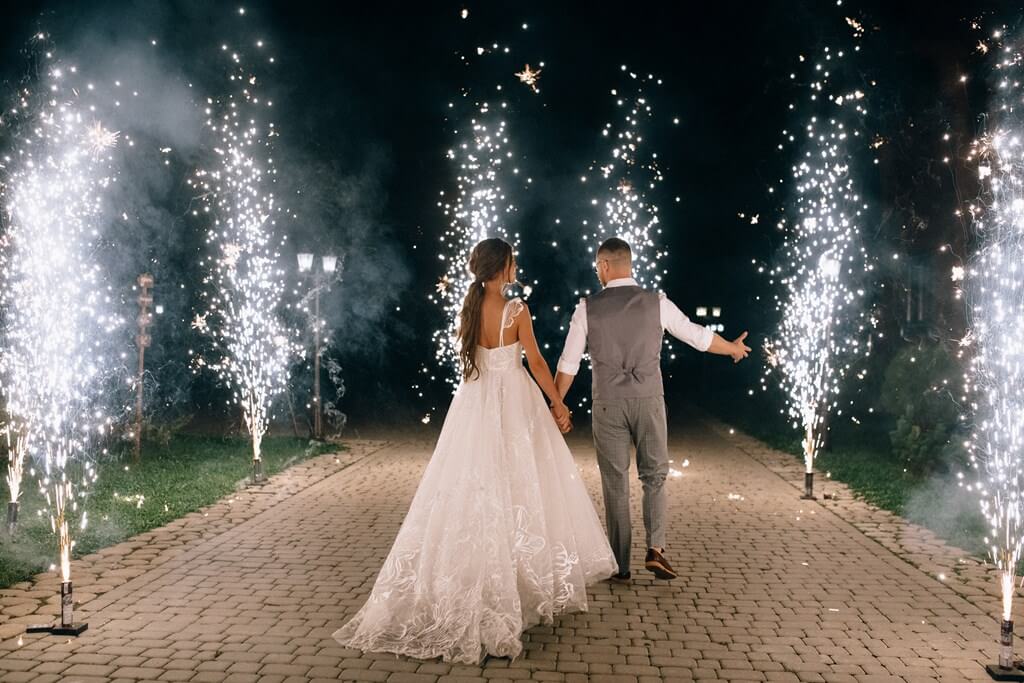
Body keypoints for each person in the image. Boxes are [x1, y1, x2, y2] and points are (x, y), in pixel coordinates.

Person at [334, 237, 617, 664]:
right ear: (502, 266)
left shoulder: (468, 309)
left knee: (475, 487)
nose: (516, 265)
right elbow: (537, 362)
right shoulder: (516, 309)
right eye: (513, 260)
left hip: (475, 401)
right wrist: (558, 404)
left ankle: (486, 580)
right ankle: (515, 584)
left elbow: (476, 360)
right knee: (522, 486)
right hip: (513, 403)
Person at [554, 236, 750, 584]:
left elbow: (568, 362)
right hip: (649, 400)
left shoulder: (587, 307)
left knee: (615, 483)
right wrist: (731, 348)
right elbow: (695, 336)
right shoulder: (656, 302)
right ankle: (656, 549)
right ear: (630, 264)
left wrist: (557, 403)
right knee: (655, 477)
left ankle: (621, 565)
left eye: (597, 267)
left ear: (604, 266)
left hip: (608, 404)